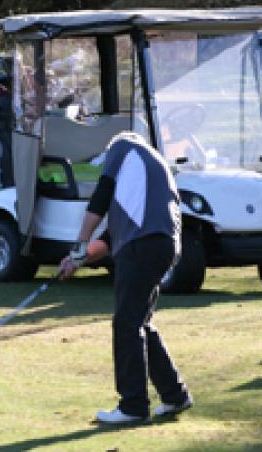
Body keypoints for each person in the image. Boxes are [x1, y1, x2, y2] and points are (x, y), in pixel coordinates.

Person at [59, 131, 193, 424]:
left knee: (126, 324)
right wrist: (79, 259)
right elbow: (109, 236)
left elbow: (101, 197)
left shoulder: (123, 146)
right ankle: (175, 395)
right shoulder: (147, 171)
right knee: (138, 321)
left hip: (143, 245)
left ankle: (133, 406)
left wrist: (79, 243)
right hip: (162, 245)